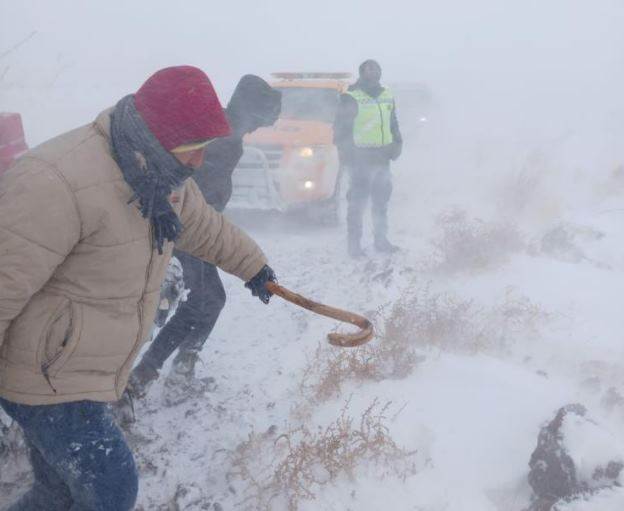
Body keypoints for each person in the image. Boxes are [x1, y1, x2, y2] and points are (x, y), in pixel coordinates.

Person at [0, 66, 276, 511]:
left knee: (56, 492)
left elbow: (206, 229)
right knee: (112, 487)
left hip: (80, 368)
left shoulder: (158, 176)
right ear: (158, 134)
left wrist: (254, 266)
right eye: (193, 149)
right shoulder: (56, 180)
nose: (200, 161)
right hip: (45, 374)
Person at [128, 75, 281, 401]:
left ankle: (172, 371)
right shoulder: (223, 139)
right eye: (259, 120)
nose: (257, 129)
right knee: (199, 302)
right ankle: (142, 378)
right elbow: (192, 191)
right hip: (185, 230)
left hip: (189, 228)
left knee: (208, 301)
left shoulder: (226, 131)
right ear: (250, 112)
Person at [333, 59, 403, 258]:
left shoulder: (387, 94)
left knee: (381, 201)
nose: (372, 71)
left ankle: (381, 240)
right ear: (361, 72)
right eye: (368, 68)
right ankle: (354, 245)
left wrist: (398, 142)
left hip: (382, 157)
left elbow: (393, 122)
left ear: (380, 72)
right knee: (357, 202)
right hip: (359, 158)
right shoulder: (351, 96)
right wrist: (347, 154)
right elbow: (340, 129)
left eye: (376, 68)